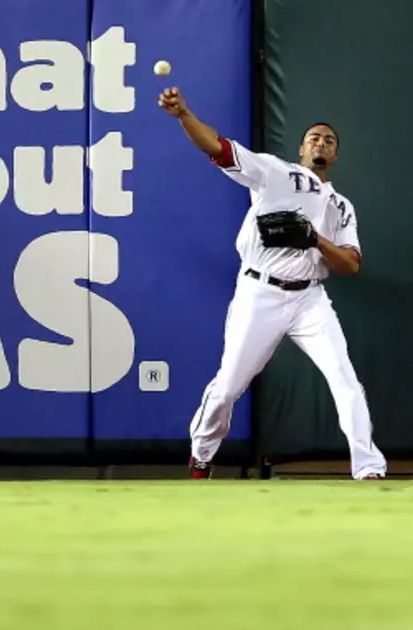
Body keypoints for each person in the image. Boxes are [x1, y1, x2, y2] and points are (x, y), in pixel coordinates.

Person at [157, 86, 387, 481]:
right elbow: (218, 148)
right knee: (228, 386)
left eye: (329, 140)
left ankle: (369, 469)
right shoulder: (277, 172)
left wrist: (315, 240)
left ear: (335, 155)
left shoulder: (340, 206)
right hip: (259, 291)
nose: (321, 142)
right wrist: (183, 115)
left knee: (345, 380)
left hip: (309, 300)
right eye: (314, 137)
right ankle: (202, 454)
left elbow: (351, 264)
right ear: (301, 149)